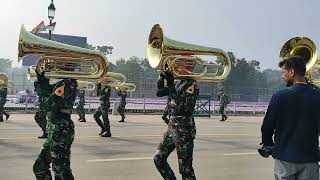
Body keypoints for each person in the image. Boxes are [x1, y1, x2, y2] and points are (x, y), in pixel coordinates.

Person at [260, 56, 320, 180]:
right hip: (310, 159)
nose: (283, 76)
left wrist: (269, 145)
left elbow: (267, 127)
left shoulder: (279, 96)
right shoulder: (317, 95)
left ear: (292, 72)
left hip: (284, 159)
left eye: (284, 72)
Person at [153, 70, 199, 180]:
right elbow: (163, 95)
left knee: (185, 169)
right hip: (172, 126)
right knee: (158, 158)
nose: (175, 68)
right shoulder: (178, 82)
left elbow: (183, 108)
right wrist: (161, 80)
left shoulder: (191, 84)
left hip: (184, 128)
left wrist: (170, 85)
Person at [33, 71, 77, 180]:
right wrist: (42, 83)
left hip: (61, 130)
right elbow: (48, 91)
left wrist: (41, 88)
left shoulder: (68, 83)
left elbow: (48, 104)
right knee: (40, 166)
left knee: (61, 172)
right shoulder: (61, 83)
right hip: (54, 128)